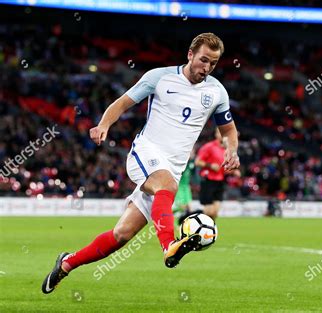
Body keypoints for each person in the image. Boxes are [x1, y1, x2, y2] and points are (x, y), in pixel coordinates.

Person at [42, 33, 240, 294]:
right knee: (166, 186)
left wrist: (232, 150)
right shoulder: (159, 77)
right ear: (190, 55)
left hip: (171, 169)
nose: (207, 67)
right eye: (203, 60)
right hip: (145, 152)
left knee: (121, 235)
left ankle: (66, 263)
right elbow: (122, 102)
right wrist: (104, 124)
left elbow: (228, 130)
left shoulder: (216, 92)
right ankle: (170, 245)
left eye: (213, 63)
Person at [195, 128, 240, 220]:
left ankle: (209, 231)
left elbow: (224, 168)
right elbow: (197, 162)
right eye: (220, 132)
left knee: (215, 212)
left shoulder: (227, 150)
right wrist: (210, 166)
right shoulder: (209, 146)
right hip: (208, 180)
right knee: (209, 212)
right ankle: (189, 216)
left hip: (220, 181)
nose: (223, 135)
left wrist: (234, 171)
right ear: (216, 134)